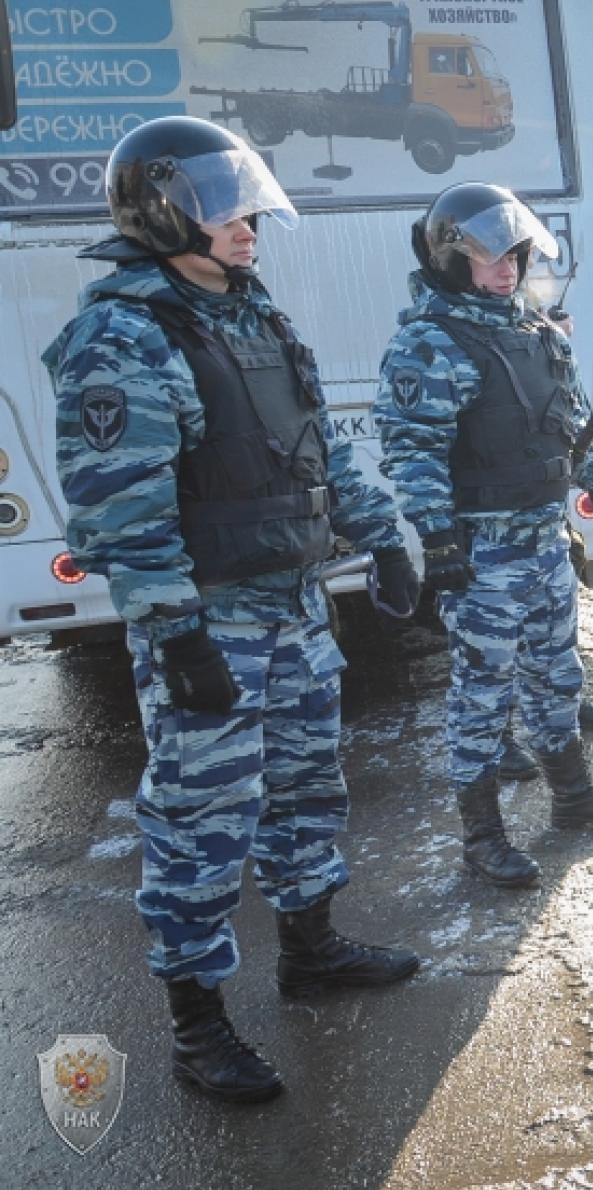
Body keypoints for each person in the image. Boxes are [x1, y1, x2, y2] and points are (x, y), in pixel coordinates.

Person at [46, 116, 423, 1105]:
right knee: (201, 819)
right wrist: (174, 633)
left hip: (294, 605)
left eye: (247, 196)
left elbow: (321, 448)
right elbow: (120, 506)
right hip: (210, 616)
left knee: (307, 786)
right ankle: (198, 1026)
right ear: (166, 208)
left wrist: (383, 534)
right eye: (226, 201)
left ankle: (310, 949)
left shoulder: (253, 312)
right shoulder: (124, 331)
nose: (248, 219)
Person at [375, 182, 593, 893]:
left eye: (516, 253)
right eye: (491, 254)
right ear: (450, 257)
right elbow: (414, 450)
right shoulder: (431, 343)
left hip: (544, 542)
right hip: (485, 553)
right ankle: (483, 838)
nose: (508, 266)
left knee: (558, 677)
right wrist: (436, 539)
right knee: (481, 696)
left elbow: (569, 419)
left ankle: (573, 798)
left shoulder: (530, 333)